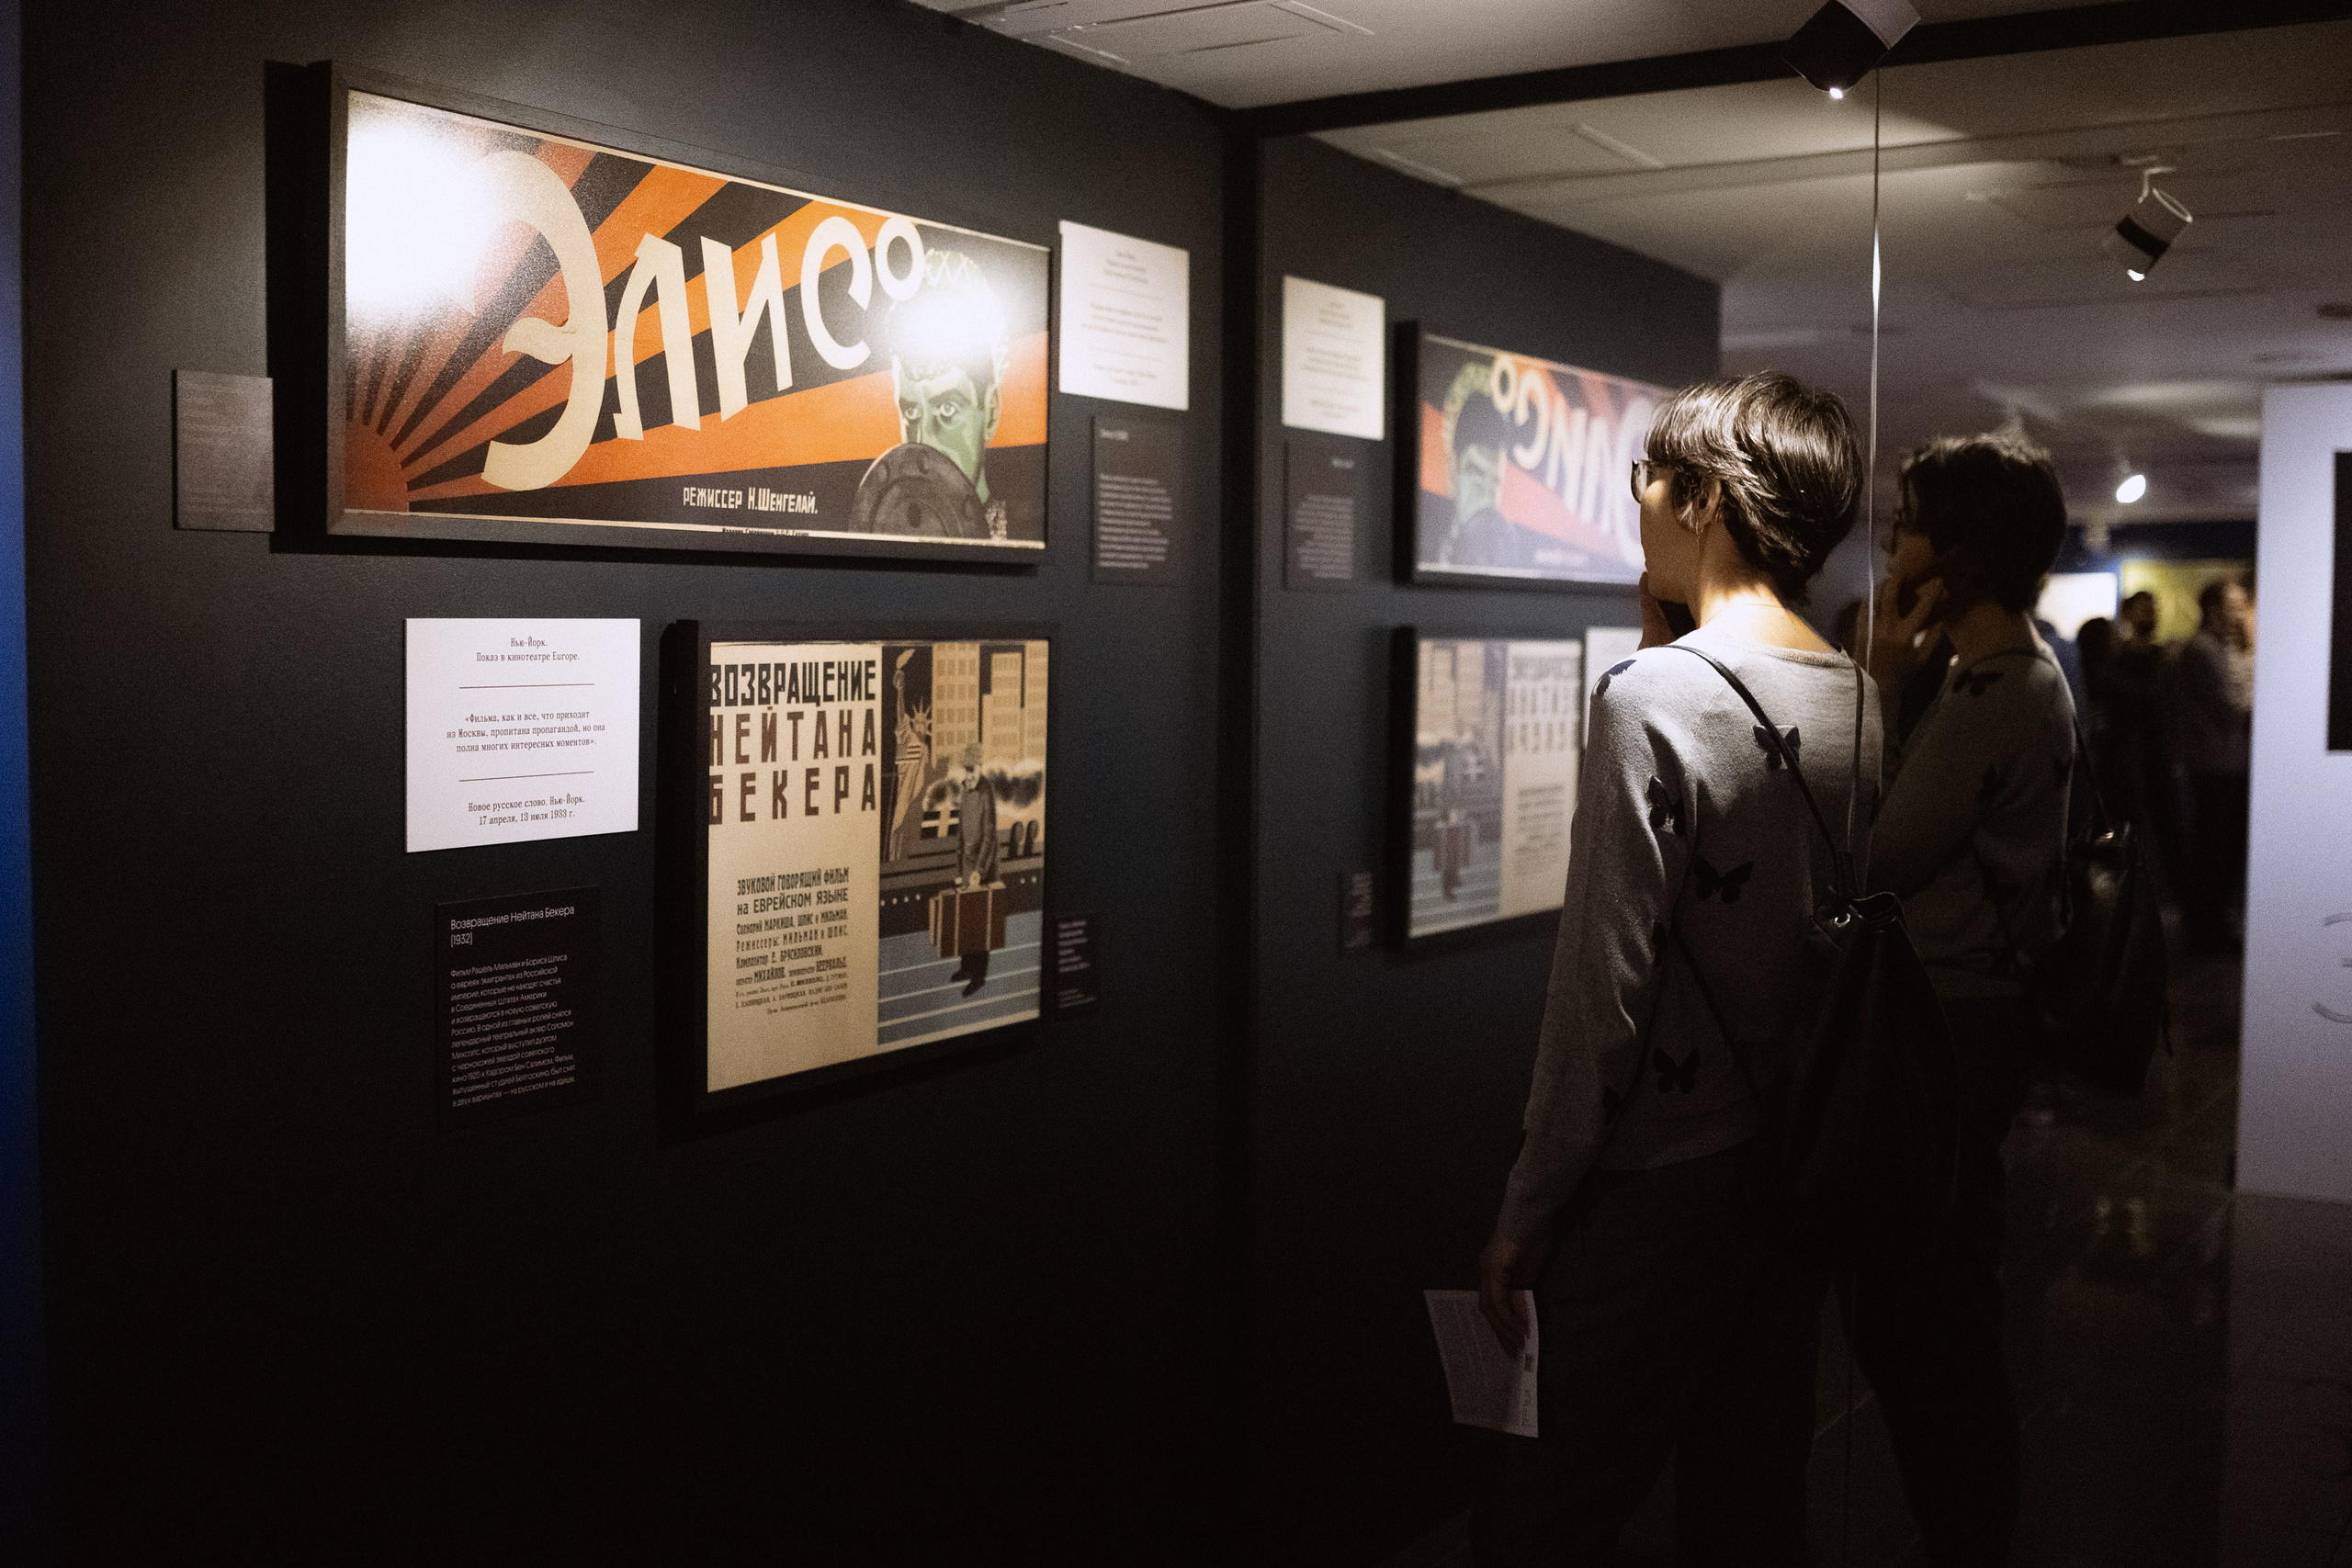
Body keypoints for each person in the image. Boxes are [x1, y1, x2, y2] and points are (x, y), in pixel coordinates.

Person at [1472, 372, 1876, 1565]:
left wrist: (1529, 1205)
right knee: (1749, 1496)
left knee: (1544, 1510)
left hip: (1661, 1173)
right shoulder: (1858, 693)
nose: (1637, 501)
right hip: (1793, 1154)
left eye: (1649, 477)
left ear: (1706, 499)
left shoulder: (1652, 697)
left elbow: (1603, 992)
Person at [1859, 432, 2075, 1566]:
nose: (1890, 546)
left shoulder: (1993, 690)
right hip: (1975, 1020)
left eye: (1907, 525)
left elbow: (1876, 853)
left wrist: (1882, 691)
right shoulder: (2015, 675)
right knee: (1933, 1299)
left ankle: (1963, 1530)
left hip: (1950, 1025)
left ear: (1964, 563)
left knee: (1923, 1311)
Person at [2171, 575, 2255, 953]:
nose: (2240, 613)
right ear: (2213, 609)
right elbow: (2230, 706)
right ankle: (2204, 931)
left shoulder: (2221, 647)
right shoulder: (2202, 649)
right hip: (2215, 764)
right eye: (2233, 605)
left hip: (2228, 762)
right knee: (2212, 850)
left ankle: (2212, 925)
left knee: (2221, 849)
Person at [949, 743, 1001, 997]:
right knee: (966, 921)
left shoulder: (986, 790)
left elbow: (990, 836)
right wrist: (960, 868)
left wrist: (980, 869)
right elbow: (960, 834)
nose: (969, 775)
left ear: (980, 768)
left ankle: (979, 976)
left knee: (981, 925)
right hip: (968, 864)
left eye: (973, 770)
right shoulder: (964, 790)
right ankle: (966, 967)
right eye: (966, 770)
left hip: (984, 864)